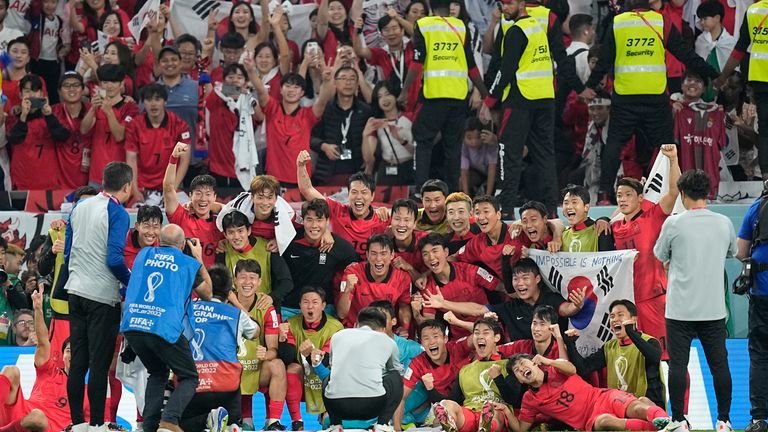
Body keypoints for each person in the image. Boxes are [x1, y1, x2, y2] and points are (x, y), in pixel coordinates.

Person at [580, 0, 718, 204]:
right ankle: (675, 192)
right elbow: (685, 54)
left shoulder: (619, 22)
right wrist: (713, 74)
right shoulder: (661, 21)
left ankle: (603, 194)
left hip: (625, 96)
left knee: (615, 143)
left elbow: (605, 60)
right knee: (666, 145)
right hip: (654, 96)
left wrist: (590, 85)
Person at [480, 0, 581, 215]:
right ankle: (551, 209)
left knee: (509, 154)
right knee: (545, 156)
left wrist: (489, 101)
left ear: (521, 4)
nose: (504, 9)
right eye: (501, 4)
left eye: (508, 4)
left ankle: (506, 209)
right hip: (544, 98)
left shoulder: (516, 31)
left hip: (520, 99)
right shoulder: (537, 27)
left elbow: (505, 71)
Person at [653, 169, 735, 432]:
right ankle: (724, 421)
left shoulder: (674, 223)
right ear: (707, 193)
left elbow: (659, 254)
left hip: (679, 310)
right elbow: (732, 252)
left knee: (677, 365)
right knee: (719, 366)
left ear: (683, 194)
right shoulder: (724, 222)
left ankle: (678, 421)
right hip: (713, 309)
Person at [120, 224, 212, 432]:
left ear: (158, 242)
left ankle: (150, 426)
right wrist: (198, 258)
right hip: (164, 327)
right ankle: (169, 420)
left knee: (157, 372)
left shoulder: (143, 255)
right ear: (183, 244)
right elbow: (207, 293)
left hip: (133, 326)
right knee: (189, 377)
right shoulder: (188, 263)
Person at [63, 161, 133, 432]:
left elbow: (67, 253)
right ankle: (96, 425)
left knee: (78, 361)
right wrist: (131, 282)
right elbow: (114, 259)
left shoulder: (80, 206)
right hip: (102, 296)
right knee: (99, 365)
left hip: (75, 291)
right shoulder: (118, 213)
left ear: (104, 182)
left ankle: (77, 423)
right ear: (127, 186)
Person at [400, 0, 489, 193]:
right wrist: (485, 94)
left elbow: (417, 63)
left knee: (423, 141)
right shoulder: (461, 26)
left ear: (431, 7)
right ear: (449, 7)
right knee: (453, 148)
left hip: (433, 96)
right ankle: (452, 193)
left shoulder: (423, 25)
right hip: (458, 98)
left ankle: (421, 191)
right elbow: (471, 65)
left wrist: (404, 91)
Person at [612, 144, 681, 358]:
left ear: (640, 198)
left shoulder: (652, 217)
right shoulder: (614, 227)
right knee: (636, 360)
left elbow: (674, 192)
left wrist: (673, 159)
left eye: (628, 195)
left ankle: (679, 385)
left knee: (667, 357)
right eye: (619, 195)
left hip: (654, 300)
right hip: (627, 305)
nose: (623, 199)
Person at [499, 354, 671, 431]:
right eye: (517, 371)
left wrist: (548, 361)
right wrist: (506, 411)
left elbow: (571, 369)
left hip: (602, 397)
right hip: (590, 419)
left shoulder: (556, 368)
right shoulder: (530, 399)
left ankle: (666, 423)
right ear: (520, 380)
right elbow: (521, 428)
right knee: (606, 421)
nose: (522, 369)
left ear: (535, 363)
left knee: (636, 409)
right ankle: (659, 427)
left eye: (523, 363)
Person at [424, 258, 582, 341]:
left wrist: (576, 305)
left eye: (525, 278)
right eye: (516, 279)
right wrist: (444, 303)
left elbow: (566, 310)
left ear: (538, 279)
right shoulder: (510, 307)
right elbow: (479, 309)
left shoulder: (550, 299)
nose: (520, 283)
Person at [180, 265, 259, 431]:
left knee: (176, 422)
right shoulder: (235, 314)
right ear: (229, 291)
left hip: (193, 385)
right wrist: (235, 301)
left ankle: (207, 420)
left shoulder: (186, 309)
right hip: (227, 386)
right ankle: (232, 424)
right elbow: (255, 331)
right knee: (229, 414)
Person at [564, 299, 666, 408]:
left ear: (634, 319)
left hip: (649, 408)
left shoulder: (650, 341)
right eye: (612, 316)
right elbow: (583, 368)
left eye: (620, 315)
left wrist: (631, 332)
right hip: (620, 408)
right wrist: (570, 344)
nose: (615, 319)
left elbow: (654, 357)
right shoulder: (609, 347)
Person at [0, 287, 74, 431]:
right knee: (11, 370)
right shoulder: (50, 371)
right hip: (22, 415)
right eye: (68, 351)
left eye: (76, 352)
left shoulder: (87, 390)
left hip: (48, 427)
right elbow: (43, 342)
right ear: (63, 356)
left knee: (38, 417)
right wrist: (38, 309)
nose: (72, 355)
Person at [319, 307, 404, 430]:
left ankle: (335, 425)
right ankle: (382, 425)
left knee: (328, 378)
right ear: (383, 329)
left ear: (356, 324)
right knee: (396, 377)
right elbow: (395, 369)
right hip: (372, 406)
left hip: (337, 406)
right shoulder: (387, 340)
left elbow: (333, 365)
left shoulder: (337, 336)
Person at [297, 151, 391, 258]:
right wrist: (301, 166)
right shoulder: (337, 210)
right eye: (354, 192)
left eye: (364, 192)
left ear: (372, 196)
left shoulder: (383, 218)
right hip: (341, 268)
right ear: (348, 194)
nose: (359, 197)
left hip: (371, 268)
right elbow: (307, 190)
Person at [232, 259, 288, 431]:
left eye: (252, 278)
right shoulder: (226, 305)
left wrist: (266, 354)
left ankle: (273, 422)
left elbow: (273, 350)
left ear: (259, 281)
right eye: (242, 277)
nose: (247, 282)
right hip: (232, 367)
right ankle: (245, 421)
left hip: (257, 367)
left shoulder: (267, 309)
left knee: (277, 365)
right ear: (234, 280)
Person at [413, 232, 500, 338]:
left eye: (435, 251)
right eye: (425, 254)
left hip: (489, 332)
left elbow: (502, 288)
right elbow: (429, 328)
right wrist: (416, 312)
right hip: (460, 340)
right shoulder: (427, 289)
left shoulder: (470, 271)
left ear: (446, 252)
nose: (431, 257)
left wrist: (443, 303)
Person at [281, 199, 358, 317]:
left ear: (327, 221)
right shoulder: (288, 240)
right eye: (309, 219)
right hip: (289, 308)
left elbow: (355, 268)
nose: (314, 225)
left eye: (319, 220)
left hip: (324, 309)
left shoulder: (340, 247)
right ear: (303, 220)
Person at [432, 317, 510, 432]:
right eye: (476, 333)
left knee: (492, 412)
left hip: (496, 411)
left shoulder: (508, 365)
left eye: (485, 333)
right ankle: (450, 425)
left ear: (496, 338)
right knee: (446, 404)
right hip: (470, 412)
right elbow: (454, 399)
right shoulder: (464, 370)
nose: (480, 336)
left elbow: (514, 399)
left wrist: (498, 378)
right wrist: (431, 391)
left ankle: (486, 427)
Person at [394, 319, 474, 430]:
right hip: (444, 410)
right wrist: (397, 429)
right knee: (439, 422)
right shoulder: (418, 363)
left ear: (445, 338)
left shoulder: (457, 348)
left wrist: (457, 321)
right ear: (421, 342)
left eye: (435, 336)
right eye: (426, 338)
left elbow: (479, 334)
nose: (431, 342)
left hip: (468, 405)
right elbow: (400, 397)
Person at [284, 287, 344, 429]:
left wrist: (309, 354)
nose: (310, 306)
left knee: (333, 369)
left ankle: (327, 415)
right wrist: (282, 339)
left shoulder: (335, 327)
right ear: (300, 305)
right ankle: (297, 422)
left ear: (323, 306)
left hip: (324, 379)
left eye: (315, 302)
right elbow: (287, 358)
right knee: (291, 368)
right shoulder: (289, 324)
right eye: (305, 302)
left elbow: (326, 361)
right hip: (300, 381)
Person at [125, 83, 192, 204]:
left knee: (188, 210)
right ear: (143, 103)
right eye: (148, 99)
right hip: (142, 189)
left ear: (165, 102)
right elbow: (131, 160)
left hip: (170, 186)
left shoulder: (179, 125)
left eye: (157, 99)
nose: (153, 104)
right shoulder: (134, 125)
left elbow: (184, 160)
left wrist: (171, 190)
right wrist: (135, 191)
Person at [216, 210, 294, 310]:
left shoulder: (268, 247)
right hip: (235, 309)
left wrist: (272, 297)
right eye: (231, 232)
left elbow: (287, 282)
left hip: (263, 309)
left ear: (248, 230)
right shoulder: (223, 251)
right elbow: (219, 284)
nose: (236, 237)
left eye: (240, 231)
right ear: (225, 235)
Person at [736, 188, 768, 432]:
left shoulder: (758, 207)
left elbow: (741, 252)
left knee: (759, 355)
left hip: (762, 295)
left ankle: (759, 419)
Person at [310, 65, 373, 184]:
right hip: (328, 173)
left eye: (352, 79)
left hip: (357, 173)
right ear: (335, 83)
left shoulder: (365, 111)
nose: (348, 82)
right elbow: (310, 137)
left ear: (357, 84)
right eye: (343, 78)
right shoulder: (325, 110)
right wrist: (324, 146)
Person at [6, 74, 70, 190]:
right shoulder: (13, 118)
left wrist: (49, 116)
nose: (31, 95)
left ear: (41, 93)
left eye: (35, 91)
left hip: (49, 183)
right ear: (20, 94)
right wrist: (23, 116)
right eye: (27, 91)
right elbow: (14, 139)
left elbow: (63, 136)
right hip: (22, 183)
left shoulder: (52, 115)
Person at [163, 143, 222, 268]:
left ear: (215, 197)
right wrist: (174, 157)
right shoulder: (181, 217)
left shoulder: (221, 224)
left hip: (210, 279)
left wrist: (215, 206)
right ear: (190, 195)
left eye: (208, 194)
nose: (203, 198)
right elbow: (168, 188)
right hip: (184, 278)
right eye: (198, 193)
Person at [80, 64, 140, 187]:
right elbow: (84, 130)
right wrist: (92, 109)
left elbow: (119, 135)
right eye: (105, 82)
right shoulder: (95, 104)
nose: (109, 86)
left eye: (114, 82)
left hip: (120, 176)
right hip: (96, 174)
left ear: (121, 83)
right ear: (100, 84)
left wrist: (109, 112)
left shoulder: (131, 107)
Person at [337, 234, 412, 331]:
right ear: (367, 255)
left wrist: (405, 327)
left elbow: (404, 306)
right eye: (374, 253)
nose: (378, 258)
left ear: (392, 255)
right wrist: (347, 290)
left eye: (383, 254)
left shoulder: (402, 278)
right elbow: (341, 314)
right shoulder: (352, 272)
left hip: (384, 331)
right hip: (356, 329)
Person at [52, 71, 90, 189]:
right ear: (59, 91)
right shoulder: (53, 112)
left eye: (76, 85)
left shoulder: (93, 110)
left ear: (83, 90)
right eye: (66, 85)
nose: (71, 89)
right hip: (60, 181)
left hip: (89, 178)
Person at [560, 184, 614, 252]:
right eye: (566, 203)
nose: (569, 207)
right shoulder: (561, 235)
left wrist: (605, 219)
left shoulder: (600, 229)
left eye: (574, 202)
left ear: (586, 207)